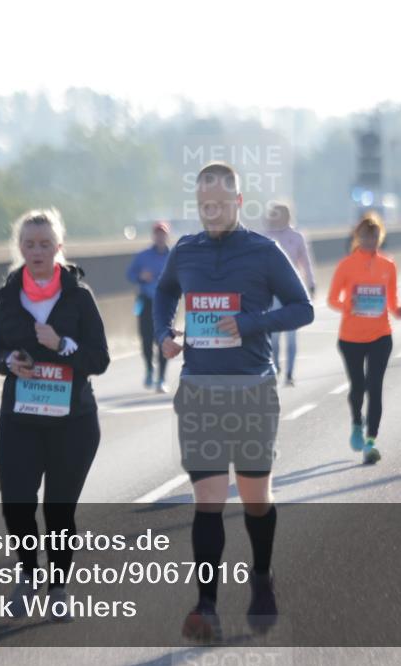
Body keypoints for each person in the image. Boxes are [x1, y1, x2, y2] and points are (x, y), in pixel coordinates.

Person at [154, 162, 313, 641]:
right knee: (207, 500)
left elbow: (302, 308)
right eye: (204, 205)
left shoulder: (263, 252)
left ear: (238, 203)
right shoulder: (185, 250)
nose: (211, 212)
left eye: (220, 204)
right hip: (199, 388)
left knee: (255, 499)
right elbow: (164, 293)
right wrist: (164, 332)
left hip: (251, 388)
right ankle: (206, 607)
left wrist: (247, 324)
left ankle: (262, 579)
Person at [0, 208, 111, 621]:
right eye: (29, 244)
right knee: (17, 504)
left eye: (45, 244)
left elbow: (100, 359)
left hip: (72, 422)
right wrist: (9, 360)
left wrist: (62, 346)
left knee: (58, 509)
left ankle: (58, 585)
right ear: (19, 248)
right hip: (20, 419)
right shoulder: (8, 295)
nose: (36, 251)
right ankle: (27, 575)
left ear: (59, 248)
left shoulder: (79, 296)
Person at [328, 213, 401, 464]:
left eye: (373, 235)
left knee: (375, 387)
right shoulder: (346, 265)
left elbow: (392, 299)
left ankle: (371, 441)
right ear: (357, 237)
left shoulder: (388, 265)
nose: (369, 239)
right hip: (351, 337)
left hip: (380, 335)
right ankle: (356, 422)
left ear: (380, 236)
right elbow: (332, 299)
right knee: (358, 387)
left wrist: (398, 310)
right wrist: (346, 305)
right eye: (364, 235)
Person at [263, 201, 316, 387]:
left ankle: (290, 373)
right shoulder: (266, 237)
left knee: (292, 335)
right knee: (274, 334)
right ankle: (276, 367)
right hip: (273, 292)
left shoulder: (297, 237)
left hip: (293, 291)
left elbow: (306, 263)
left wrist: (311, 284)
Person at [126, 221, 172, 393]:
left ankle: (161, 378)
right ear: (154, 236)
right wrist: (140, 276)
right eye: (157, 233)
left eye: (163, 233)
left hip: (166, 304)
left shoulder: (173, 256)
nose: (160, 236)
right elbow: (129, 274)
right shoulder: (143, 256)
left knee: (164, 341)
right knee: (146, 340)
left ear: (167, 235)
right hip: (146, 302)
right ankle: (149, 369)